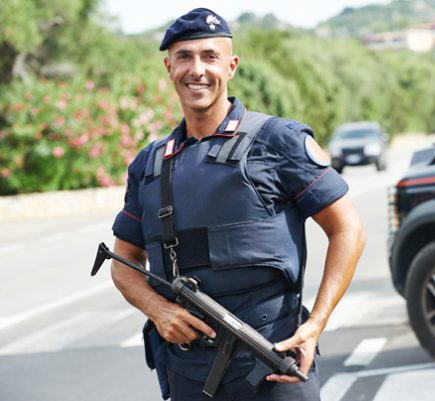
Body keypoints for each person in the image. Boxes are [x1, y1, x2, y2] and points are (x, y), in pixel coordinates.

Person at [110, 7, 365, 401]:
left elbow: (348, 228)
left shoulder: (278, 141)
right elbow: (123, 261)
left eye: (210, 57)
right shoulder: (149, 163)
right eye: (185, 57)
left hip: (275, 359)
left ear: (231, 66)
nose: (197, 69)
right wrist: (157, 311)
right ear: (168, 67)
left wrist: (315, 324)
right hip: (189, 370)